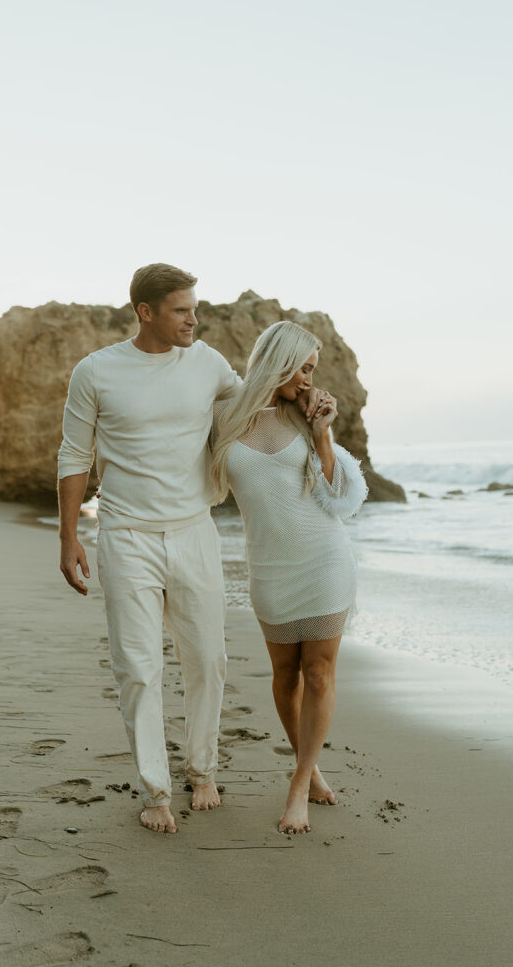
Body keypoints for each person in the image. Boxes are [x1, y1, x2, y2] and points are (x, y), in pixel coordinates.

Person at [57, 264, 329, 834]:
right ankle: (156, 788)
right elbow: (74, 456)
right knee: (139, 666)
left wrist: (304, 393)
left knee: (207, 658)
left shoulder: (207, 363)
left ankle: (201, 769)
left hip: (194, 530)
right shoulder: (96, 372)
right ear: (146, 312)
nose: (193, 319)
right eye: (181, 310)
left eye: (194, 308)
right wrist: (68, 538)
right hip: (125, 535)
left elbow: (255, 406)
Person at [210, 321, 367, 835]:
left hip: (323, 561)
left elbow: (337, 495)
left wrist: (322, 433)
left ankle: (299, 785)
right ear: (276, 360)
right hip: (269, 568)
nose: (307, 381)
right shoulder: (224, 415)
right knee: (285, 675)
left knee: (319, 673)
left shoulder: (307, 417)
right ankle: (313, 767)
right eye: (301, 368)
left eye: (311, 371)